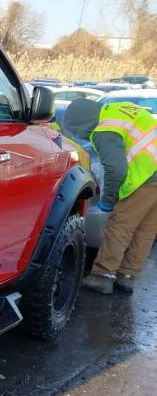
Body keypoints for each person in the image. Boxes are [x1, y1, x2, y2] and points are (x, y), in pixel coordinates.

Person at [75, 100, 157, 294]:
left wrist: (108, 201)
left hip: (146, 177)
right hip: (154, 172)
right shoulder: (117, 110)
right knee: (146, 230)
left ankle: (103, 276)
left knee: (120, 227)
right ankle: (127, 276)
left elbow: (115, 169)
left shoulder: (105, 129)